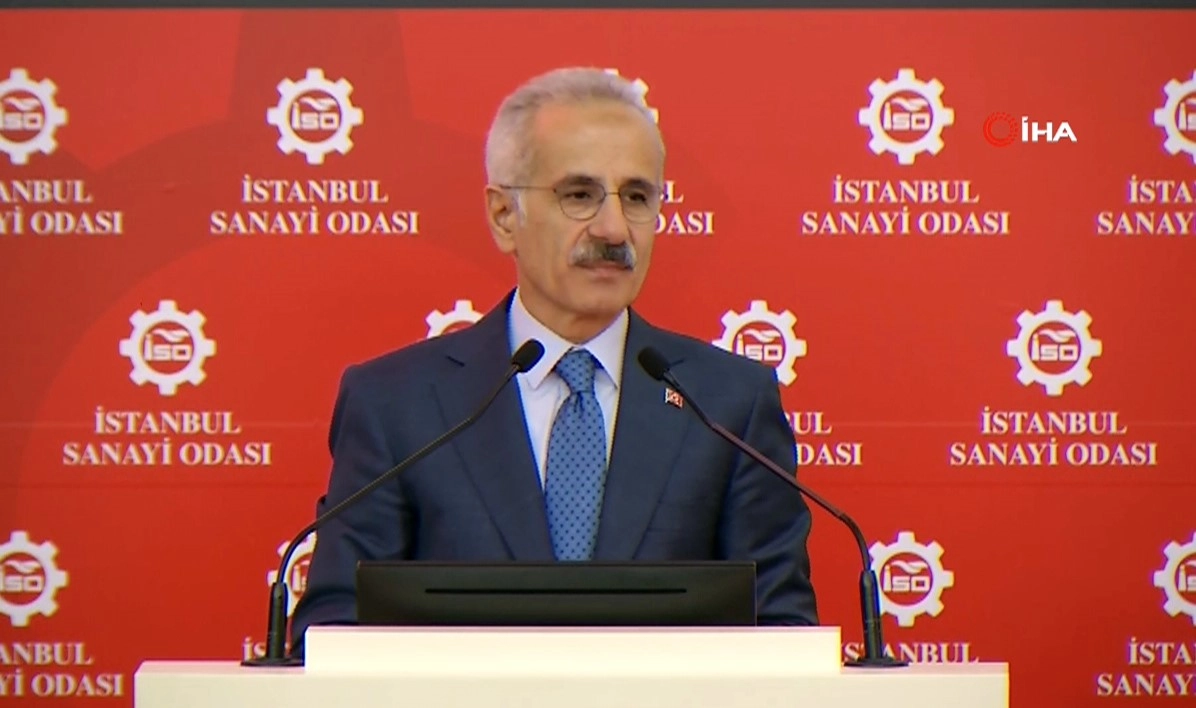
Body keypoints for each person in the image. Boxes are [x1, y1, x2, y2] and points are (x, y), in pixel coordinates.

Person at [288, 66, 818, 656]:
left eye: (637, 197)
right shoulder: (397, 406)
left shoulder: (727, 405)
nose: (614, 229)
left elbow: (784, 638)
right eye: (579, 195)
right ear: (503, 216)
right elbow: (334, 634)